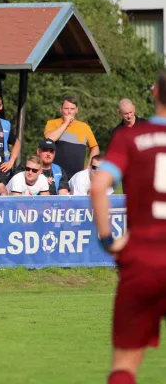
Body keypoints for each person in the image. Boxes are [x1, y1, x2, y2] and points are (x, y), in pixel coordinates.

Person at [91, 72, 166, 384]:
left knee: (124, 364)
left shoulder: (129, 136)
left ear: (155, 93)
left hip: (142, 256)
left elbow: (98, 187)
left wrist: (108, 239)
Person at [44, 96, 100, 178]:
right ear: (61, 110)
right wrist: (65, 123)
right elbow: (50, 139)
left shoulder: (84, 127)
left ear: (77, 110)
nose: (69, 112)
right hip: (55, 174)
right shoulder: (52, 123)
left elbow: (95, 148)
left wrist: (88, 169)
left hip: (77, 177)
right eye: (66, 108)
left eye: (72, 109)